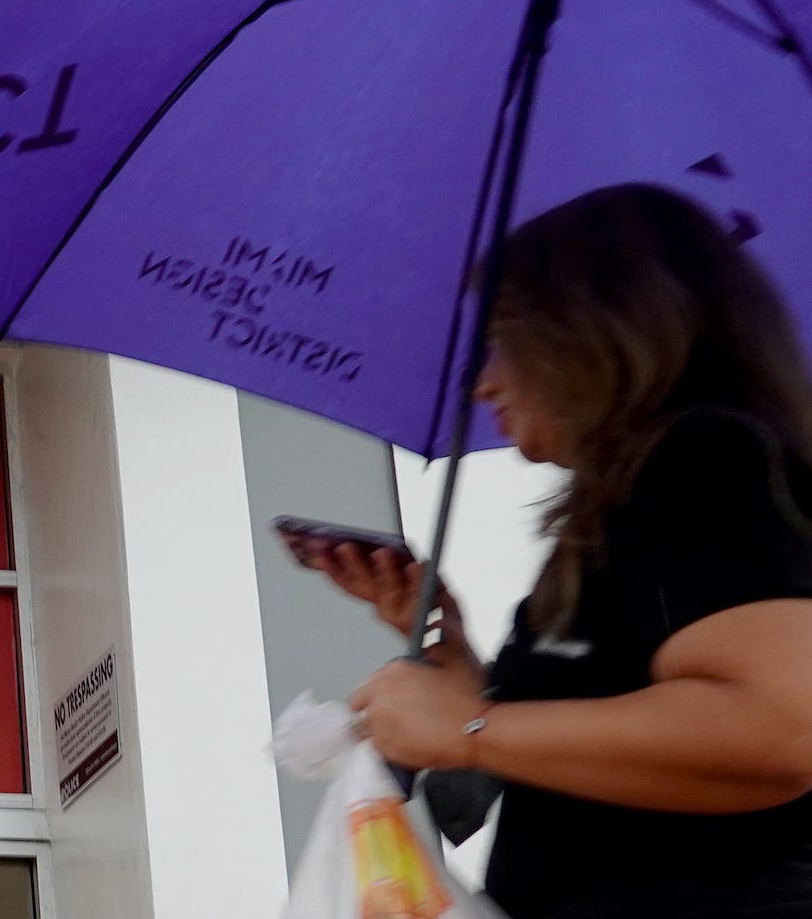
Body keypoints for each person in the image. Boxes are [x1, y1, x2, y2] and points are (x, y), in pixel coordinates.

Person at [311, 183, 812, 919]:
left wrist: (470, 730)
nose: (483, 383)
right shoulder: (632, 499)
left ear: (592, 329)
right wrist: (455, 664)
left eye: (504, 342)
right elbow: (609, 746)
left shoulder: (707, 459)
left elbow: (780, 727)